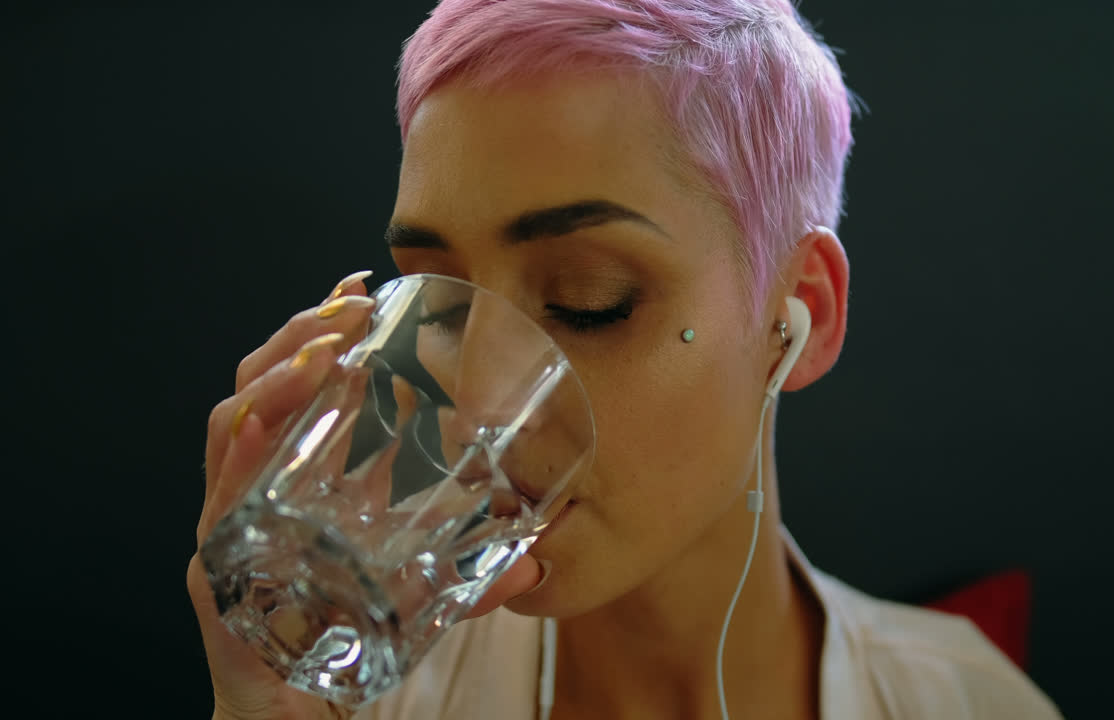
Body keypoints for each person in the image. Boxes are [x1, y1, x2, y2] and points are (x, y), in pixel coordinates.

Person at [189, 0, 1065, 718]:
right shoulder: (360, 689)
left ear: (800, 316)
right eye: (441, 304)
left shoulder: (967, 703)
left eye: (588, 299)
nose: (476, 401)